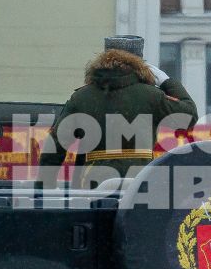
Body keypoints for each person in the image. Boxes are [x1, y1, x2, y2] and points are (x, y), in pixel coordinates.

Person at [42, 36, 199, 176]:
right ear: (141, 64)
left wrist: (42, 188)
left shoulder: (82, 97)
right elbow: (189, 117)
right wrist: (166, 81)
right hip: (138, 183)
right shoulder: (151, 96)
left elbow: (56, 146)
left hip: (91, 184)